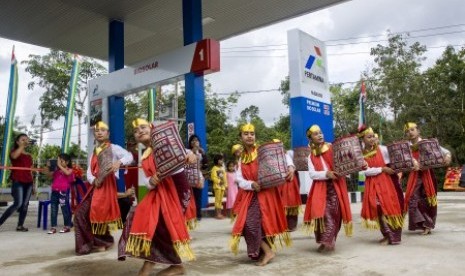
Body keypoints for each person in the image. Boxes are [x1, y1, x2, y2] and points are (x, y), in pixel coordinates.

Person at [118, 118, 194, 276]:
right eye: (136, 130)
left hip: (177, 191)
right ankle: (163, 265)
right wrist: (151, 181)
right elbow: (146, 182)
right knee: (141, 219)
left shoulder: (165, 142)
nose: (140, 131)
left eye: (143, 127)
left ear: (152, 128)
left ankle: (170, 266)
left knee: (161, 225)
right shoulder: (144, 157)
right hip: (159, 193)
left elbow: (185, 153)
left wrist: (192, 154)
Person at [230, 123, 291, 266]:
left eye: (252, 133)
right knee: (248, 224)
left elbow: (283, 154)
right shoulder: (241, 158)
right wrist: (251, 184)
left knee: (265, 223)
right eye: (246, 134)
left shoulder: (263, 150)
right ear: (240, 137)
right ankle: (267, 251)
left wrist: (291, 166)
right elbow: (239, 179)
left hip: (268, 194)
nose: (249, 136)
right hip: (252, 195)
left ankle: (267, 252)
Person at [74, 121, 133, 255]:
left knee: (99, 214)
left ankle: (102, 242)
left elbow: (129, 156)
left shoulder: (114, 148)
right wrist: (94, 180)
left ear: (108, 133)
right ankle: (92, 243)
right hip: (95, 186)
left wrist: (119, 162)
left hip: (107, 187)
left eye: (102, 130)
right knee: (80, 214)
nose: (99, 132)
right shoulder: (94, 152)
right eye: (97, 131)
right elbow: (89, 171)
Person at [304, 125, 352, 253]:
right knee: (321, 214)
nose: (320, 135)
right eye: (316, 134)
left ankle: (329, 240)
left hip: (335, 186)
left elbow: (345, 162)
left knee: (333, 214)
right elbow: (312, 174)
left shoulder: (333, 148)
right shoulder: (310, 156)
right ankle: (324, 240)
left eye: (320, 132)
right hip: (320, 188)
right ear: (310, 138)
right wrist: (326, 174)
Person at [403, 122, 451, 235]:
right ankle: (422, 223)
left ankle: (427, 225)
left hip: (427, 175)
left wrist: (448, 156)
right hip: (414, 176)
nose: (410, 133)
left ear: (418, 131)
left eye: (412, 130)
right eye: (407, 131)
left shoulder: (427, 143)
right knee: (412, 200)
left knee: (427, 200)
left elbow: (445, 152)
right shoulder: (406, 147)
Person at [358, 127, 404, 245]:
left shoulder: (383, 149)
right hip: (372, 184)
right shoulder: (360, 155)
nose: (372, 139)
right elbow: (365, 172)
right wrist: (381, 169)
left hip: (385, 183)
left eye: (373, 136)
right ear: (362, 139)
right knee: (377, 208)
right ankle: (387, 234)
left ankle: (392, 236)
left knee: (388, 207)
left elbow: (396, 158)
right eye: (369, 137)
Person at [0, 133, 34, 231]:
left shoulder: (29, 155)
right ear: (17, 142)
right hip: (18, 180)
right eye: (23, 140)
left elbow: (30, 170)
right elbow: (14, 157)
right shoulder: (13, 152)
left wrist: (34, 185)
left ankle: (20, 225)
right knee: (18, 203)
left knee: (25, 204)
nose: (25, 141)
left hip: (29, 182)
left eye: (26, 139)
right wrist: (22, 146)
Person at [43, 153, 74, 234]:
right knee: (53, 209)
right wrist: (47, 167)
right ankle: (53, 227)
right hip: (54, 192)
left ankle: (67, 226)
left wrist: (59, 166)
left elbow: (67, 173)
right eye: (58, 160)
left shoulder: (69, 169)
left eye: (61, 161)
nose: (59, 162)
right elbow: (48, 175)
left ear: (67, 162)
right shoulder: (56, 170)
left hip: (63, 191)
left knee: (64, 209)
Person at [278, 149, 301, 232]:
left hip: (289, 182)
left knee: (291, 202)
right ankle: (282, 224)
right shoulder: (272, 159)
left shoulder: (286, 155)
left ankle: (291, 225)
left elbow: (290, 165)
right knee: (280, 203)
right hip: (279, 184)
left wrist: (291, 168)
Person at [186, 134, 208, 223]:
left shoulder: (201, 152)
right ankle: (188, 215)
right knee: (188, 197)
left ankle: (197, 215)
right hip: (187, 177)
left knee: (197, 197)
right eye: (192, 140)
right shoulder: (186, 151)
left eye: (196, 140)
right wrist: (194, 151)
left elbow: (206, 165)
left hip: (197, 177)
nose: (195, 142)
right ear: (190, 142)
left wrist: (203, 154)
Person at [211, 154, 228, 219]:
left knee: (220, 200)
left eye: (222, 160)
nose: (222, 161)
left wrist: (226, 185)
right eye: (220, 160)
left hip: (222, 187)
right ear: (217, 161)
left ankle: (220, 213)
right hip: (217, 187)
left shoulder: (222, 169)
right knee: (217, 200)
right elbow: (213, 177)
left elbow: (225, 178)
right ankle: (217, 214)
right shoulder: (214, 168)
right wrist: (219, 181)